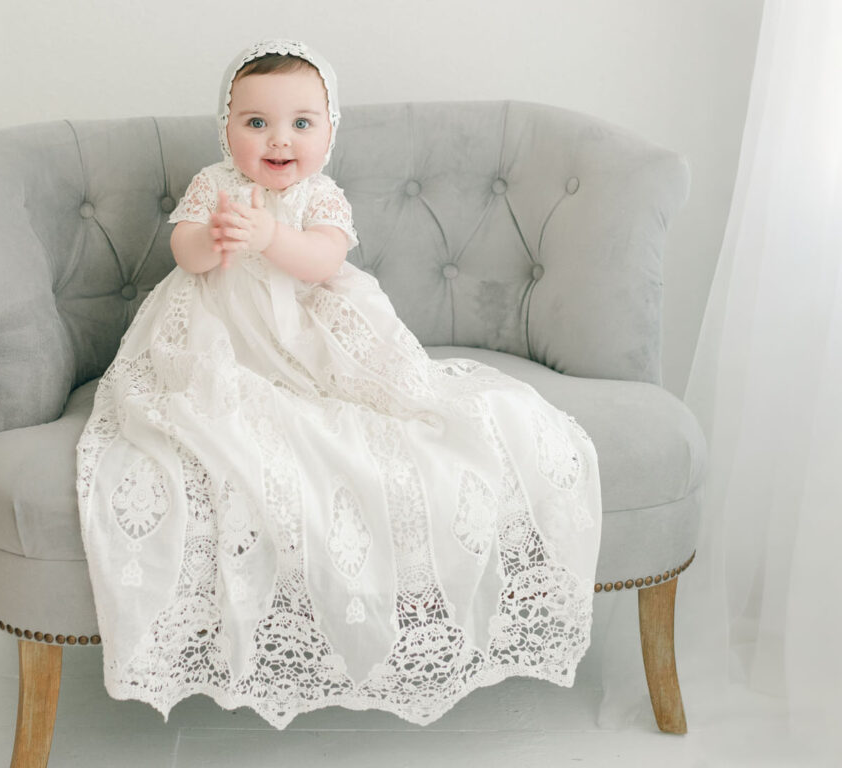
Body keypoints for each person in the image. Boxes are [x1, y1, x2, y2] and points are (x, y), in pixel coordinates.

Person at [76, 39, 602, 730]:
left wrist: (268, 236)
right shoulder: (214, 186)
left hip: (308, 334)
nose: (278, 138)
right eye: (255, 122)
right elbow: (184, 250)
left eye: (301, 122)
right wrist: (216, 241)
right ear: (227, 128)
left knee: (390, 403)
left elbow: (321, 261)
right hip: (223, 334)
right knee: (202, 400)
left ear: (328, 131)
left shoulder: (321, 196)